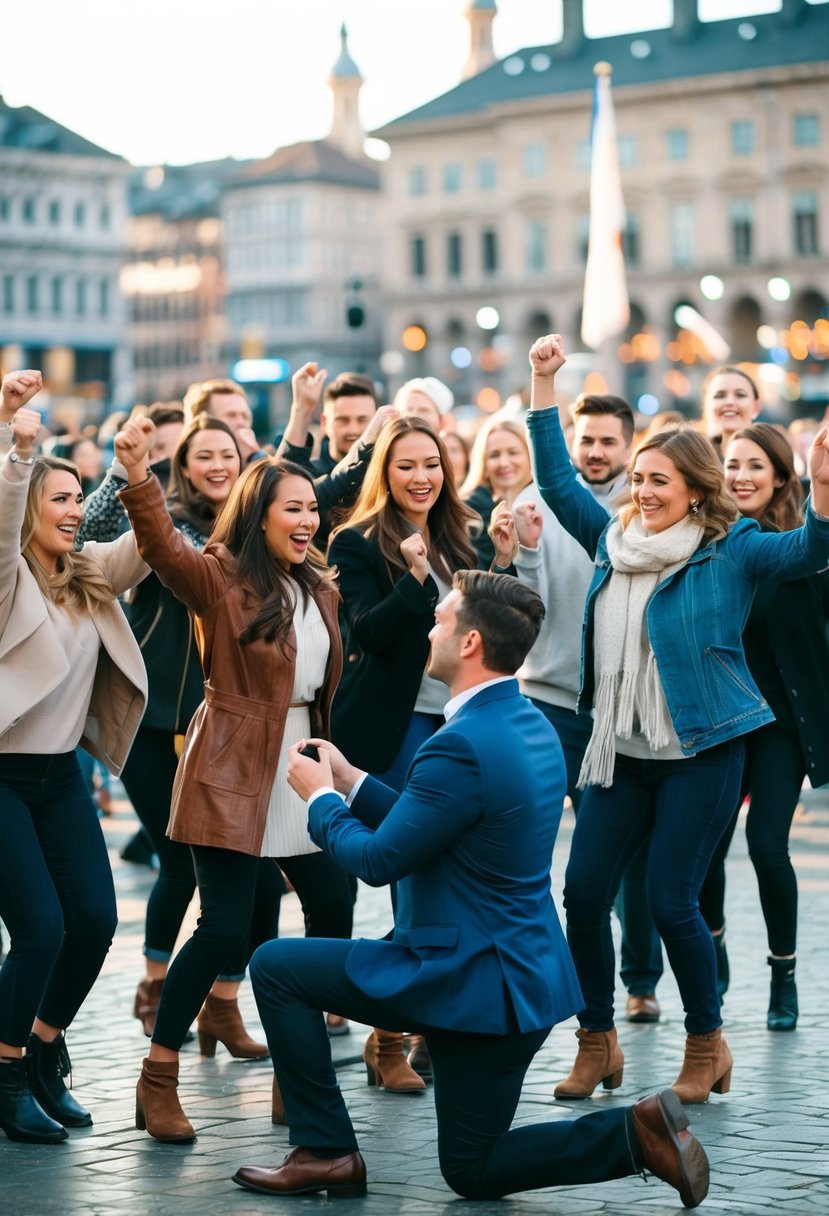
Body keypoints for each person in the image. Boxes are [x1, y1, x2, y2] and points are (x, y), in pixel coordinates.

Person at [231, 570, 711, 1208]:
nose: (429, 629)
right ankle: (636, 1132)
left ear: (471, 642)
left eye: (441, 620)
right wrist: (351, 781)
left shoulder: (459, 744)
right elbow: (439, 821)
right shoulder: (528, 722)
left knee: (275, 966)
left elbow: (378, 861)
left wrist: (319, 800)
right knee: (473, 1166)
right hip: (518, 981)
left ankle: (325, 1151)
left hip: (461, 980)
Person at [525, 333, 829, 1105]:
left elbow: (808, 553)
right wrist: (540, 384)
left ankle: (705, 1041)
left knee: (670, 901)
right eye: (636, 478)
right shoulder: (611, 539)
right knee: (584, 893)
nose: (642, 491)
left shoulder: (734, 547)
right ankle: (596, 1041)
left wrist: (822, 487)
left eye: (657, 480)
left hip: (703, 750)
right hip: (619, 751)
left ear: (694, 488)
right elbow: (557, 479)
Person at [113, 414, 354, 1143]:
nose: (308, 520)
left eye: (313, 508)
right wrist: (135, 476)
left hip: (302, 767)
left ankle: (297, 1073)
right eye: (294, 508)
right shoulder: (220, 577)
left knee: (332, 905)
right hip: (232, 767)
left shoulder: (320, 585)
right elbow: (161, 548)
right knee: (222, 927)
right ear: (260, 514)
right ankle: (158, 1076)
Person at [79, 415, 281, 1054]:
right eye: (203, 456)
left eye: (230, 453)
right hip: (157, 723)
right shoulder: (166, 527)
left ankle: (223, 1001)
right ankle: (158, 986)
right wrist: (132, 472)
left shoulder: (263, 536)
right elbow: (90, 529)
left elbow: (316, 492)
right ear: (182, 469)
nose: (218, 465)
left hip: (228, 727)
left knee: (254, 877)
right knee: (176, 864)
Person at [327, 415, 517, 1088]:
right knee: (411, 878)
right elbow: (368, 637)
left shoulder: (457, 533)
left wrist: (499, 562)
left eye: (431, 464)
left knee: (447, 880)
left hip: (459, 725)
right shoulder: (354, 541)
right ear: (384, 470)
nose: (420, 477)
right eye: (406, 465)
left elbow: (487, 630)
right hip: (396, 728)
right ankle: (388, 1039)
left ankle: (427, 1023)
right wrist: (410, 583)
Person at [0, 372, 148, 1144]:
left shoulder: (87, 577)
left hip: (59, 779)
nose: (72, 510)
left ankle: (44, 1050)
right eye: (58, 499)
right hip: (0, 778)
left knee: (92, 921)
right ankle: (4, 1071)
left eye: (76, 498)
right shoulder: (5, 581)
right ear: (28, 506)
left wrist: (136, 470)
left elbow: (143, 545)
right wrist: (14, 441)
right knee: (41, 930)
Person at [513, 393, 664, 1025]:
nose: (596, 452)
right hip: (549, 703)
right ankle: (547, 983)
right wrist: (522, 553)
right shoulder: (540, 502)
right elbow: (523, 614)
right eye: (586, 440)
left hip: (620, 712)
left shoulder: (649, 510)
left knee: (624, 859)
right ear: (570, 442)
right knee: (528, 852)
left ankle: (641, 981)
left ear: (629, 445)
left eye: (608, 441)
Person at [700, 423, 829, 1029]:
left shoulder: (801, 545)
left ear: (780, 475)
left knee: (766, 845)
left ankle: (784, 974)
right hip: (721, 721)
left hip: (778, 724)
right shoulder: (708, 541)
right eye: (733, 465)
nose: (742, 476)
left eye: (756, 466)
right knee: (704, 852)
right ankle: (716, 947)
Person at [460, 417, 533, 565]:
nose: (504, 463)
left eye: (513, 453)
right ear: (483, 463)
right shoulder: (469, 511)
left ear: (530, 455)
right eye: (494, 455)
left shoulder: (546, 503)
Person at [701, 365, 761, 454]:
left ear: (756, 407)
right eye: (720, 396)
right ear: (705, 406)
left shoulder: (773, 460)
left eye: (740, 395)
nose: (730, 402)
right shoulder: (687, 460)